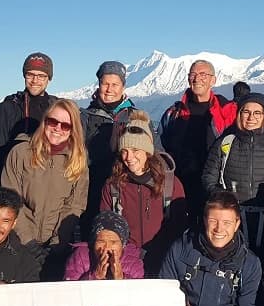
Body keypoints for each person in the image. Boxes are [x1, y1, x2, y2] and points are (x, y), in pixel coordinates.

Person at [1, 99, 89, 279]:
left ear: (73, 130)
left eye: (65, 125)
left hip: (58, 247)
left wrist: (57, 242)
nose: (57, 128)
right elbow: (12, 201)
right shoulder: (21, 153)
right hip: (19, 241)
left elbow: (74, 206)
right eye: (52, 121)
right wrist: (28, 242)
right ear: (44, 121)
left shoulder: (77, 160)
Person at [202, 93, 264, 252]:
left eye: (257, 112)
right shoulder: (225, 144)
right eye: (246, 111)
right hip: (231, 221)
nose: (251, 117)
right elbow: (208, 179)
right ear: (239, 114)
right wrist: (223, 197)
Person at [100, 110, 187, 274]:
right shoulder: (113, 186)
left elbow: (179, 227)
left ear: (147, 151)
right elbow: (106, 225)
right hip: (125, 261)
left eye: (135, 150)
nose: (129, 157)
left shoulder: (170, 184)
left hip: (164, 260)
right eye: (124, 151)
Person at [160, 59, 237, 219]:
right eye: (193, 74)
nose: (196, 79)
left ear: (213, 80)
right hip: (180, 184)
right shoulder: (173, 113)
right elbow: (161, 148)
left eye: (203, 74)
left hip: (215, 183)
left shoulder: (227, 111)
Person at [80, 61, 152, 223]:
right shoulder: (84, 117)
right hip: (92, 191)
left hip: (129, 189)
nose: (109, 89)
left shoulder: (137, 117)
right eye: (105, 83)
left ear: (123, 87)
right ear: (98, 85)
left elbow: (154, 154)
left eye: (115, 84)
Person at [0, 53, 59, 190]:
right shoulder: (7, 109)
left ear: (49, 78)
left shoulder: (56, 109)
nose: (35, 80)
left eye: (41, 76)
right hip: (13, 183)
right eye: (30, 74)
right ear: (24, 76)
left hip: (49, 185)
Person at [63, 211, 145, 280]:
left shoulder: (134, 263)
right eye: (101, 241)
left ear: (123, 244)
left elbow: (139, 295)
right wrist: (95, 276)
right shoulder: (80, 257)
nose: (107, 247)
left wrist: (122, 279)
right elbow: (69, 290)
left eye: (113, 242)